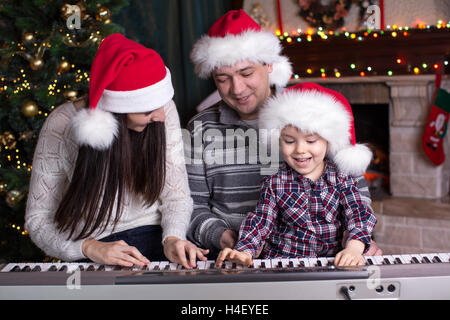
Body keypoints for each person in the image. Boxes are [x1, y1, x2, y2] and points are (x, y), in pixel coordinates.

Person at [186, 9, 381, 258]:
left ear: (268, 65)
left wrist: (357, 243)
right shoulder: (200, 128)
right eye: (223, 78)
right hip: (238, 255)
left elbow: (356, 196)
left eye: (246, 74)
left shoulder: (307, 113)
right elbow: (192, 207)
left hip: (323, 256)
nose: (237, 88)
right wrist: (229, 239)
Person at [25, 34, 208, 269]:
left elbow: (177, 196)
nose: (161, 117)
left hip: (157, 238)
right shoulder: (61, 124)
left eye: (161, 105)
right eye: (147, 112)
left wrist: (173, 237)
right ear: (116, 113)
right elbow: (38, 220)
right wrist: (89, 248)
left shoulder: (162, 109)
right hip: (91, 248)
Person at [216, 83, 377, 267]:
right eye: (289, 141)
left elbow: (358, 214)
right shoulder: (275, 183)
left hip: (330, 264)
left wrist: (354, 249)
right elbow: (261, 221)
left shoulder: (341, 179)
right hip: (283, 265)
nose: (300, 149)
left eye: (311, 140)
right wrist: (244, 250)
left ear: (328, 141)